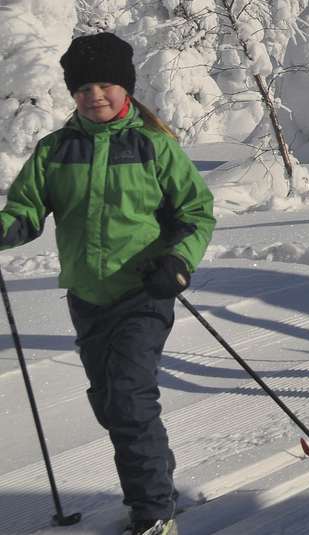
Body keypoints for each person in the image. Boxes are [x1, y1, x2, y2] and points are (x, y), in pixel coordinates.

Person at [0, 32, 215, 535]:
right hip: (88, 298)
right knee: (110, 401)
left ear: (125, 88)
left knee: (128, 396)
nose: (94, 95)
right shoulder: (55, 150)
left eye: (104, 85)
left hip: (144, 292)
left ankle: (154, 513)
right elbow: (25, 210)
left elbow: (195, 214)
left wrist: (177, 262)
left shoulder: (153, 146)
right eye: (82, 89)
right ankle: (156, 472)